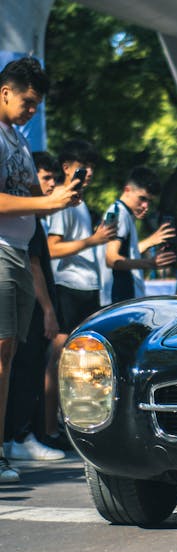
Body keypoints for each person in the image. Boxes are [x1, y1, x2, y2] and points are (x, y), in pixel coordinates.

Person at [0, 57, 79, 482]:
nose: (32, 110)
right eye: (27, 102)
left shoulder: (17, 139)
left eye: (37, 105)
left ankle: (6, 445)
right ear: (5, 91)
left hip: (17, 251)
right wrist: (48, 203)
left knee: (9, 356)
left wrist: (64, 194)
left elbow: (30, 192)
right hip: (0, 251)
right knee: (1, 354)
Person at [45, 139, 116, 448]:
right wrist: (93, 240)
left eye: (92, 169)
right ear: (66, 168)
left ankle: (73, 425)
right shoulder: (63, 203)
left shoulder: (81, 203)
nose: (89, 174)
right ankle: (48, 429)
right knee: (59, 361)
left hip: (87, 288)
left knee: (84, 363)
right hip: (68, 288)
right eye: (84, 168)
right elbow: (52, 248)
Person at [4, 151, 65, 461]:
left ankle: (18, 436)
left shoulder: (33, 220)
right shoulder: (27, 219)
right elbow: (35, 264)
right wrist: (49, 309)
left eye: (54, 179)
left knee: (20, 365)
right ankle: (18, 436)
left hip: (30, 297)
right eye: (45, 178)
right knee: (22, 367)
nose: (50, 184)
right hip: (31, 299)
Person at [100, 166, 177, 305]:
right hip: (118, 299)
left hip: (124, 299)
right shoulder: (117, 213)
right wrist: (150, 263)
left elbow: (127, 253)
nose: (145, 205)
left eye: (149, 201)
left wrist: (151, 241)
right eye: (142, 199)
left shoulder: (125, 214)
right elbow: (111, 258)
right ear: (127, 190)